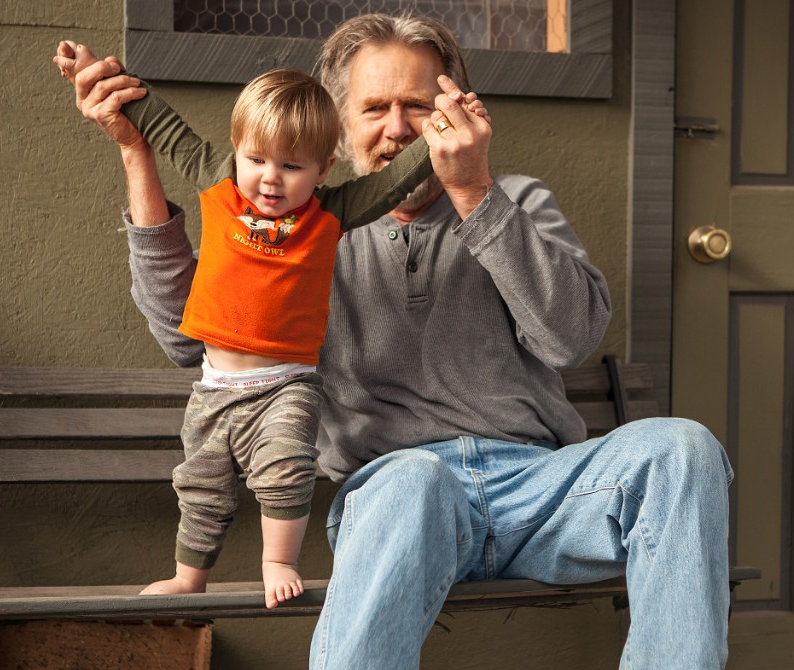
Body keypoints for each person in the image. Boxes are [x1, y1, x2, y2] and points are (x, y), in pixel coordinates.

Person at [68, 13, 734, 670]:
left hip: (543, 493)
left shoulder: (521, 201)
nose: (398, 127)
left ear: (452, 111)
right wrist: (137, 156)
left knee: (682, 448)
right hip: (397, 496)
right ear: (337, 129)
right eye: (375, 108)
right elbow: (186, 337)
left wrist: (477, 195)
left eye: (417, 106)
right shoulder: (302, 232)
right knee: (415, 479)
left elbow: (569, 338)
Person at [53, 42, 487, 609]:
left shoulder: (330, 212)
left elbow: (396, 180)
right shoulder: (218, 183)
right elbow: (159, 121)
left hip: (286, 386)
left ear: (323, 170)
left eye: (291, 166)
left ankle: (277, 560)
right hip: (213, 387)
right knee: (201, 484)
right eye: (256, 159)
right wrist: (92, 71)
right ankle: (189, 575)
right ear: (237, 152)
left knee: (286, 471)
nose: (269, 179)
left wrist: (450, 128)